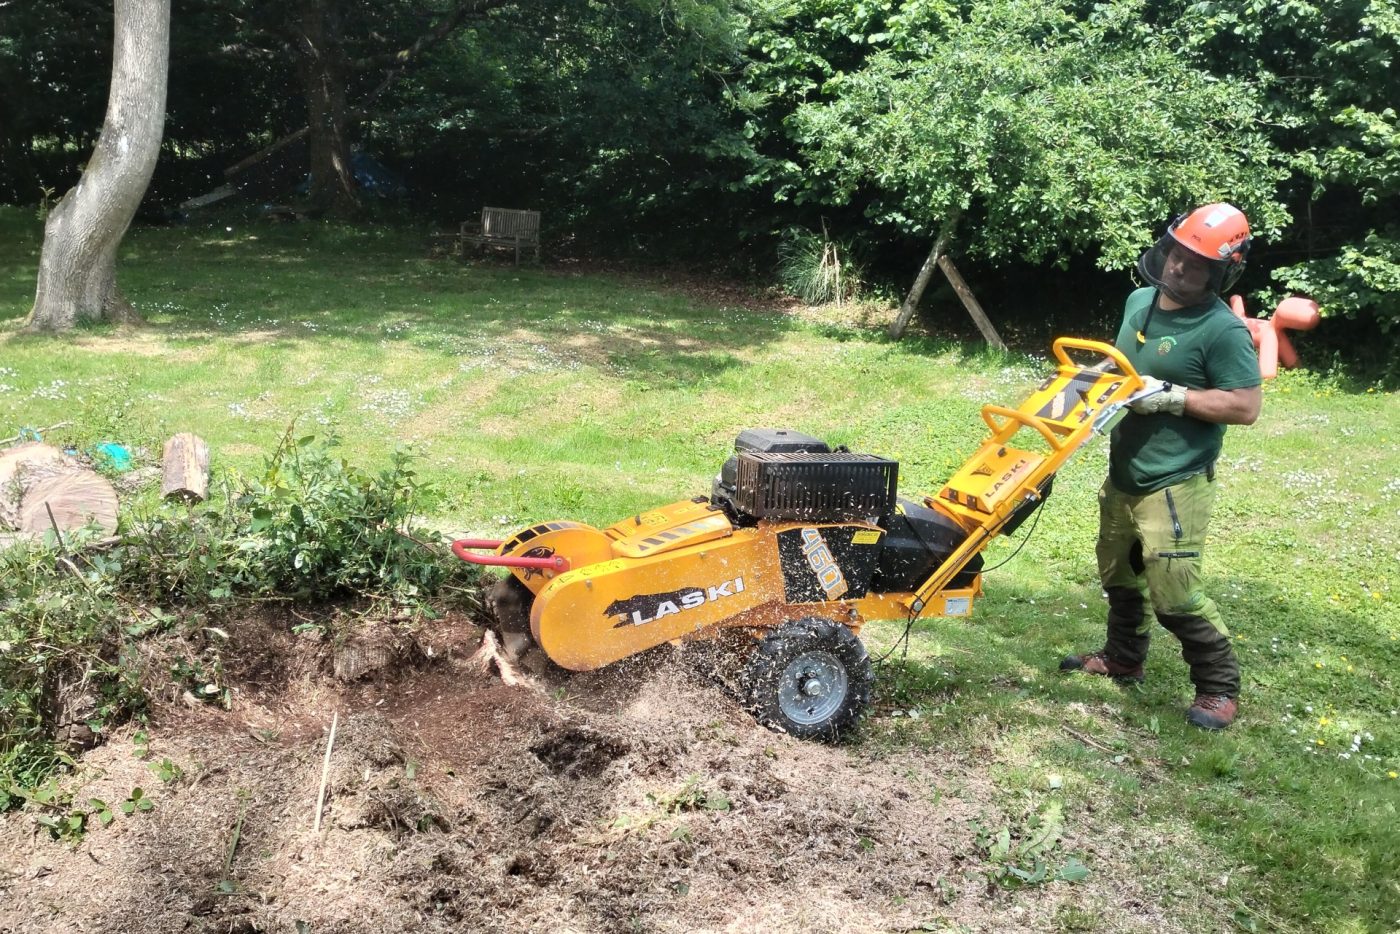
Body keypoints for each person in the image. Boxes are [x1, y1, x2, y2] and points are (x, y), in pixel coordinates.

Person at [1061, 203, 1262, 730]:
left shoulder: (1222, 330)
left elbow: (1245, 405)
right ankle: (1123, 658)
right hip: (1125, 468)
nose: (1178, 267)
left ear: (1221, 272)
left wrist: (1173, 398)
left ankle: (1218, 688)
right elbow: (1123, 361)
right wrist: (1083, 384)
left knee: (1174, 588)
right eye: (1176, 253)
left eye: (1195, 264)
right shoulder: (1139, 300)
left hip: (1175, 478)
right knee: (1118, 571)